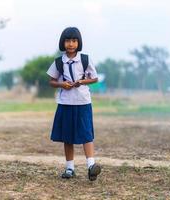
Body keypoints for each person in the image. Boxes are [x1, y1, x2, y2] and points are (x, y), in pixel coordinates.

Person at [46, 27, 101, 181]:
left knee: (86, 134)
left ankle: (91, 166)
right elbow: (51, 81)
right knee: (67, 136)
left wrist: (82, 81)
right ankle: (70, 167)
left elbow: (95, 78)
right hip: (66, 103)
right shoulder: (58, 61)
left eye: (74, 41)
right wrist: (62, 84)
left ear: (79, 42)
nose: (71, 44)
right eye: (68, 41)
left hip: (83, 101)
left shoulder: (85, 59)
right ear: (63, 43)